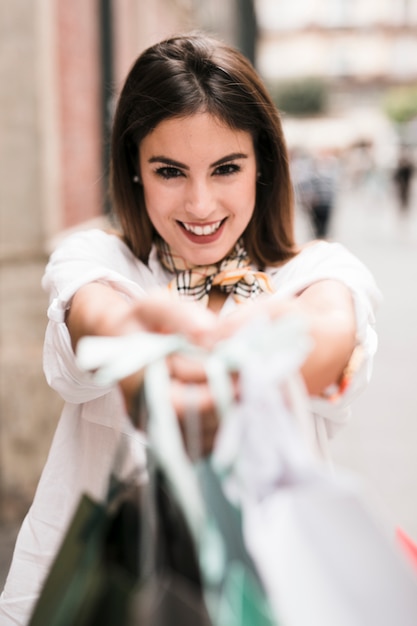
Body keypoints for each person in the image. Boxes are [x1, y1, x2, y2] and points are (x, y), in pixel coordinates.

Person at [0, 32, 381, 625]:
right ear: (134, 171)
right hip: (110, 595)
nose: (200, 205)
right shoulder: (98, 261)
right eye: (170, 171)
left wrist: (262, 342)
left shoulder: (317, 271)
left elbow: (331, 330)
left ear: (263, 167)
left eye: (226, 168)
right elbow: (98, 316)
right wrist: (142, 354)